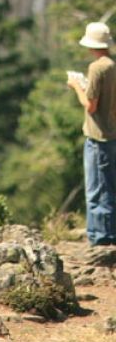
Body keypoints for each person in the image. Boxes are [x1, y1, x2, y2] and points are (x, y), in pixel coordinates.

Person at [67, 21, 116, 247]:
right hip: (112, 134)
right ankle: (108, 235)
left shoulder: (97, 68)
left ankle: (99, 240)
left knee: (96, 191)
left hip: (98, 137)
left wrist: (76, 85)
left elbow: (90, 105)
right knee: (109, 188)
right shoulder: (112, 66)